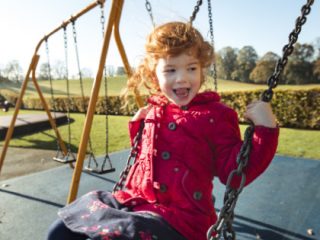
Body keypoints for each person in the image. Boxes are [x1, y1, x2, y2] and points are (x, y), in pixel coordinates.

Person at [47, 21, 279, 240]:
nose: (182, 78)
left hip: (181, 217)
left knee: (125, 233)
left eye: (191, 68)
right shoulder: (155, 110)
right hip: (134, 200)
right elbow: (144, 161)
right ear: (154, 76)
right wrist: (140, 126)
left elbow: (234, 172)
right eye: (170, 70)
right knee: (61, 229)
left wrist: (265, 130)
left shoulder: (215, 116)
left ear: (201, 71)